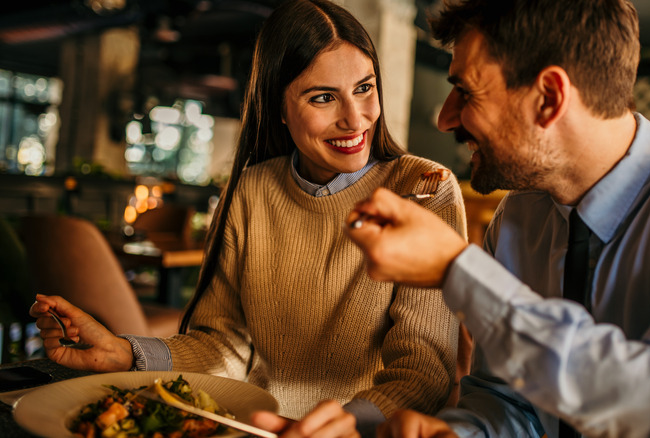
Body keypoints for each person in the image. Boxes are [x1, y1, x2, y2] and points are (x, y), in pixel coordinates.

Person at [30, 0, 467, 436]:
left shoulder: (425, 186)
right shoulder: (251, 189)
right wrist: (124, 352)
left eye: (364, 88)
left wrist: (346, 424)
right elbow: (225, 344)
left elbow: (423, 370)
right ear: (278, 107)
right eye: (322, 97)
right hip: (247, 429)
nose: (355, 119)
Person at [345, 0, 650, 436]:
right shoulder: (518, 216)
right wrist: (460, 434)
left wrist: (458, 272)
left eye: (467, 92)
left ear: (549, 97)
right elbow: (510, 401)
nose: (444, 118)